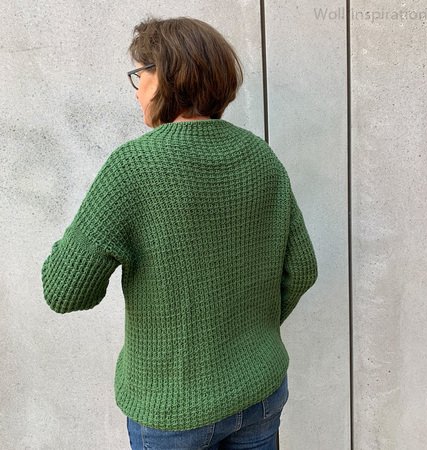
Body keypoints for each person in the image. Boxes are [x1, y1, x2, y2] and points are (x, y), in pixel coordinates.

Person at [41, 15, 318, 450]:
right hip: (260, 393)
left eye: (141, 75)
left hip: (174, 409)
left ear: (167, 77)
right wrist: (248, 332)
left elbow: (64, 290)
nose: (137, 91)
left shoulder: (133, 167)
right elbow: (301, 269)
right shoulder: (260, 157)